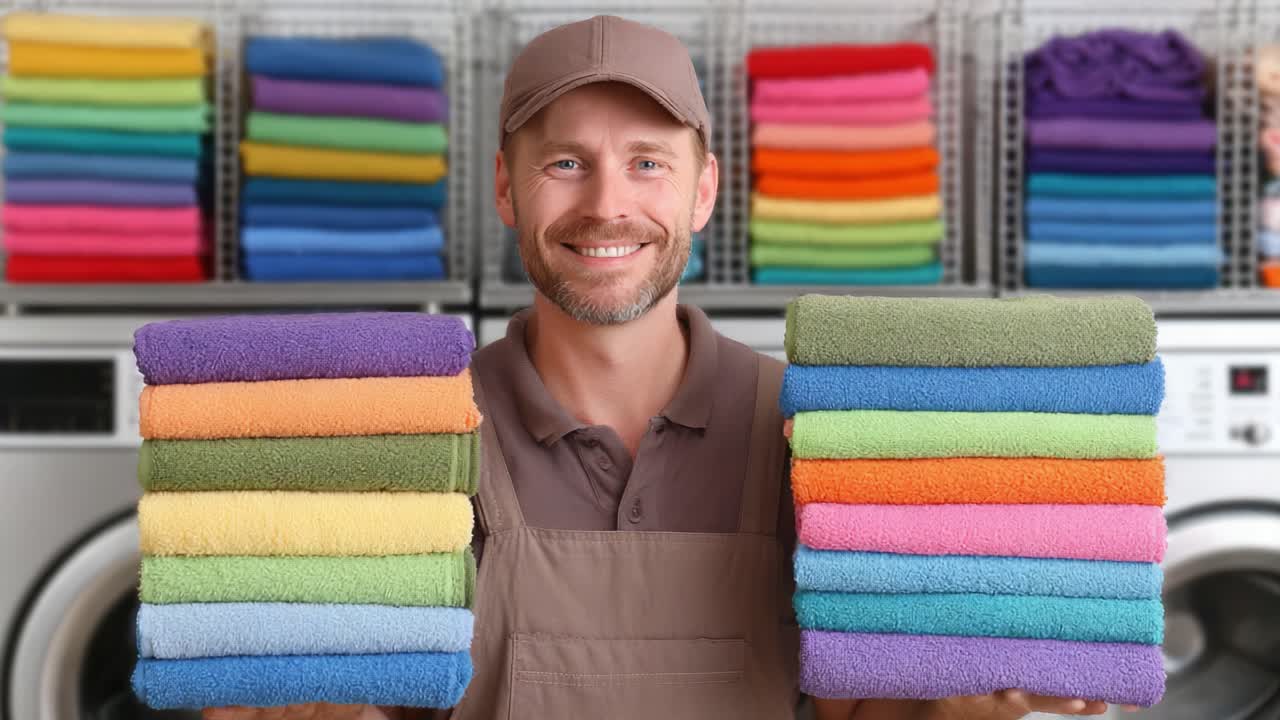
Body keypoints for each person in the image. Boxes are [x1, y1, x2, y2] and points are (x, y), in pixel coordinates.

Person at [205, 16, 1133, 720]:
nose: (608, 205)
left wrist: (955, 702)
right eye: (566, 162)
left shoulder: (826, 431)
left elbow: (862, 704)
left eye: (647, 163)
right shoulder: (404, 429)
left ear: (703, 192)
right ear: (504, 188)